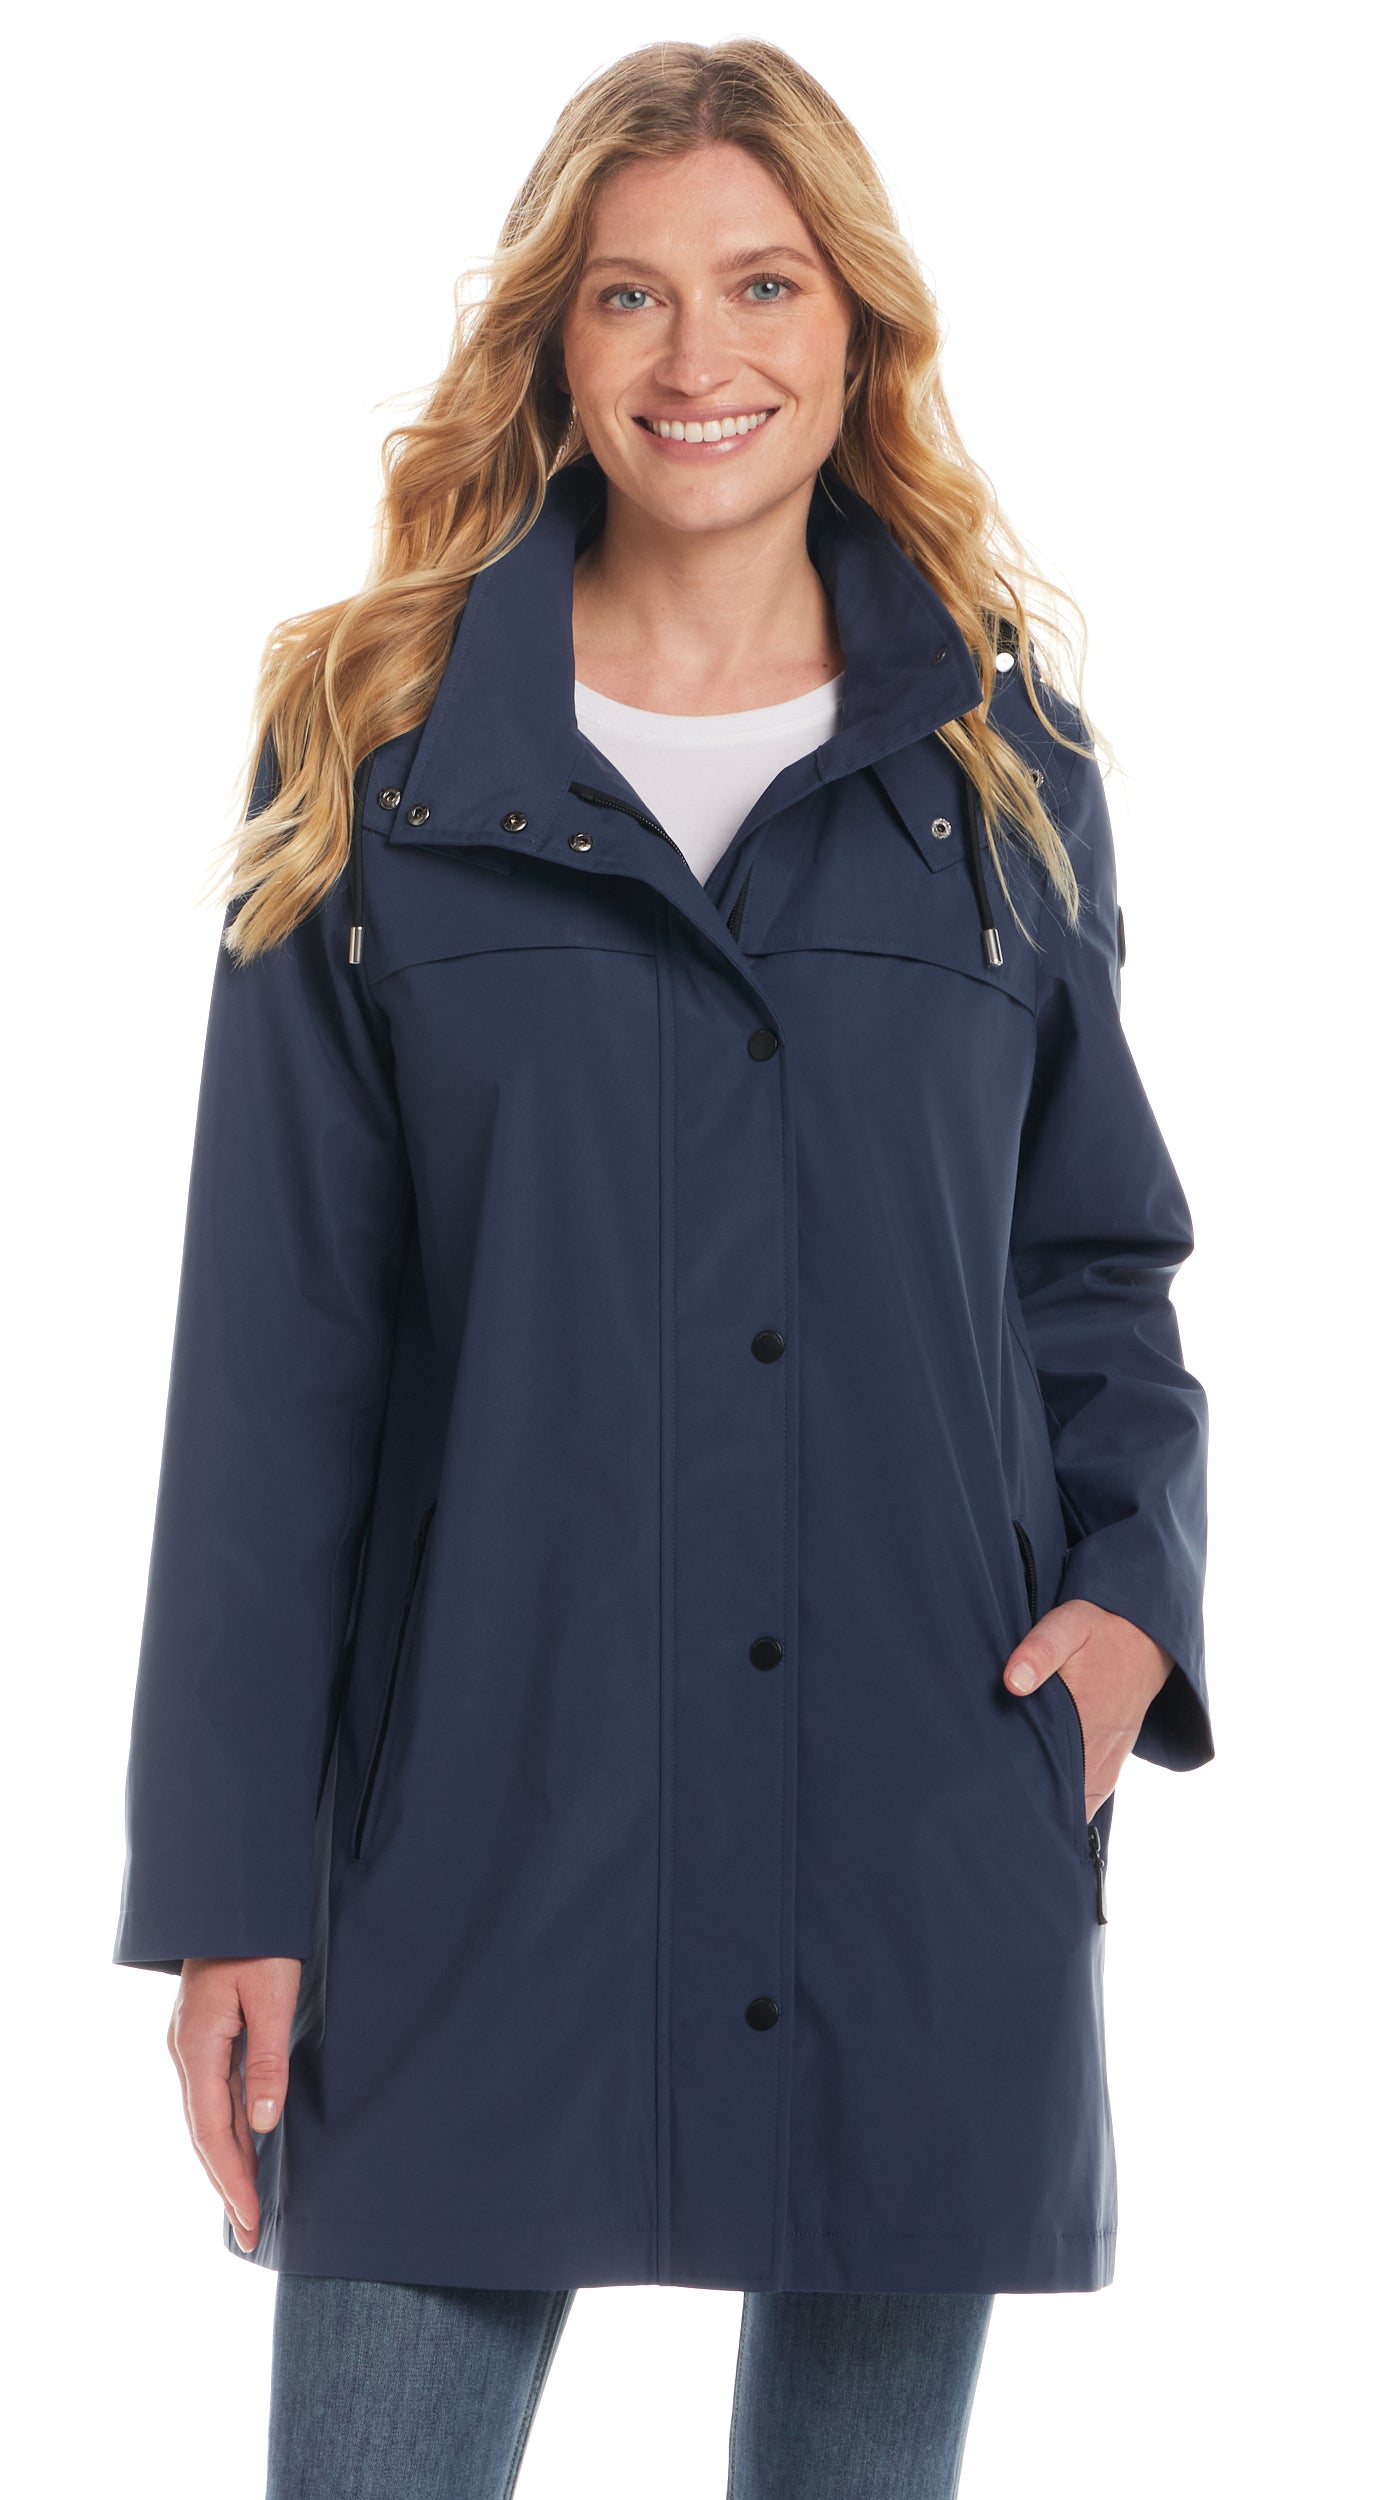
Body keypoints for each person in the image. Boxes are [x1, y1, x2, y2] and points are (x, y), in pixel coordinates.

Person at [113, 37, 1212, 2500]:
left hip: (916, 1811)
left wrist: (1126, 1612)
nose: (698, 354)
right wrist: (222, 1889)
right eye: (629, 294)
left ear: (856, 324)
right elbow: (275, 1354)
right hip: (477, 1829)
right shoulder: (378, 747)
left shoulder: (997, 765)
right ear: (555, 336)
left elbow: (1093, 1256)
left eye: (762, 284)